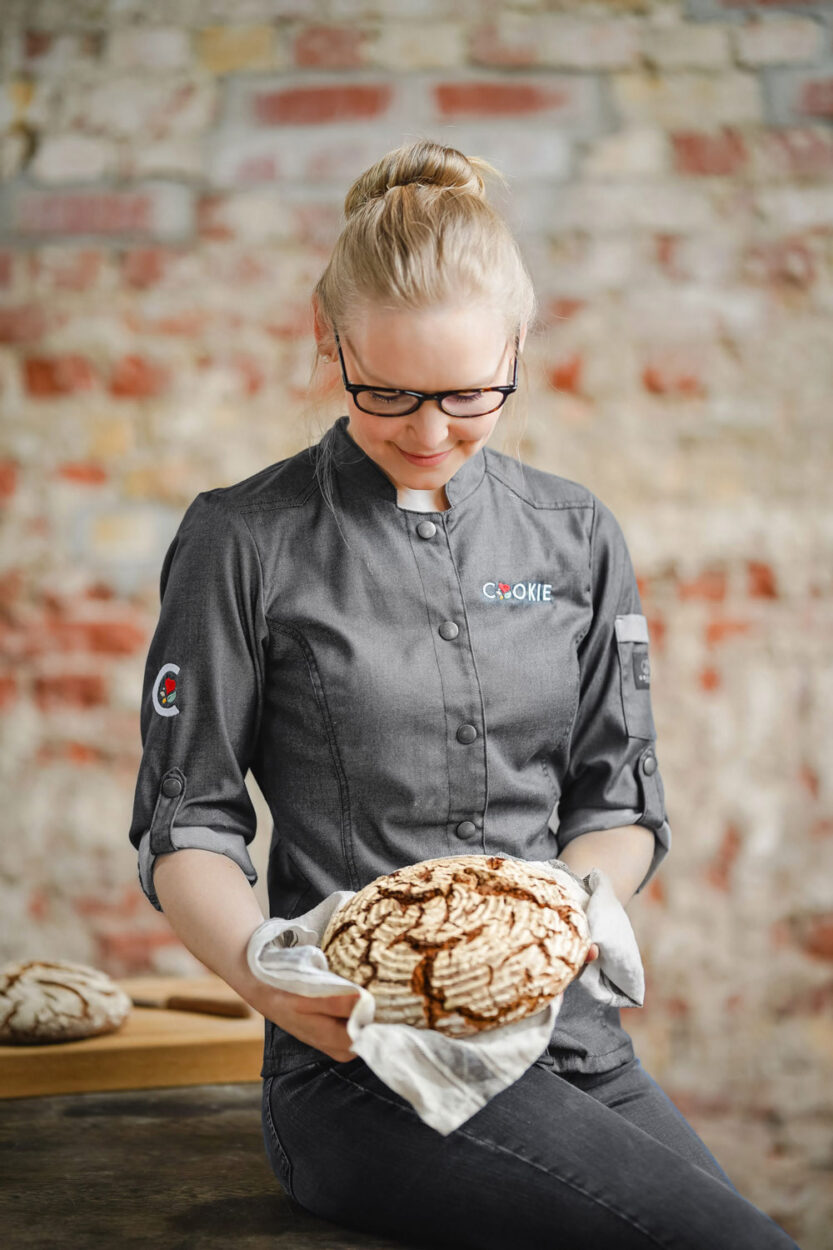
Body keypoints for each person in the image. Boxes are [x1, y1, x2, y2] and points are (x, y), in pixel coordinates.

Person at [128, 140, 801, 1249]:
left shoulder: (574, 529)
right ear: (327, 338)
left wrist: (557, 916)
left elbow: (619, 800)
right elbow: (185, 816)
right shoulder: (241, 537)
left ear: (518, 348)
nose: (429, 430)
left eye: (469, 393)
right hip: (366, 1071)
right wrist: (263, 970)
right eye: (385, 389)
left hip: (577, 1043)